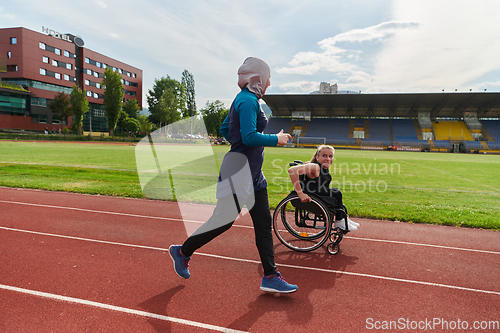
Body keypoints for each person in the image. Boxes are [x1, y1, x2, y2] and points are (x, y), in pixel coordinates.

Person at [169, 57, 298, 293]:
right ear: (258, 78)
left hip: (254, 174)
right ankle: (182, 251)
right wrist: (274, 139)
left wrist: (247, 142)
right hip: (239, 172)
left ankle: (270, 275)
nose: (269, 83)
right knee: (222, 222)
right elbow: (248, 136)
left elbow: (225, 129)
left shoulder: (246, 100)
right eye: (268, 78)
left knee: (263, 225)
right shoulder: (248, 101)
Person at [287, 145, 360, 231]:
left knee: (335, 192)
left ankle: (343, 219)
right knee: (336, 192)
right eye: (324, 156)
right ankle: (339, 221)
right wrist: (300, 193)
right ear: (317, 158)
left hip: (316, 192)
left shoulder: (322, 167)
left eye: (330, 156)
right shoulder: (316, 167)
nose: (328, 159)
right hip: (311, 193)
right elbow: (292, 170)